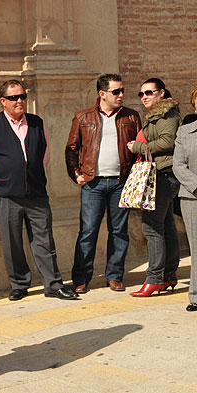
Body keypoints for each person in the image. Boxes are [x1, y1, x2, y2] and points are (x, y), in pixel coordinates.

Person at [0, 80, 77, 301]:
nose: (19, 101)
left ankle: (53, 285)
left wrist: (31, 173)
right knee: (12, 242)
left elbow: (45, 153)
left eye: (22, 96)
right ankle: (19, 284)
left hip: (36, 193)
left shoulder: (37, 122)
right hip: (8, 195)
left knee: (45, 241)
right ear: (3, 101)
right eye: (13, 98)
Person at [65, 74, 141, 293]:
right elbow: (71, 149)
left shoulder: (132, 117)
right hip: (92, 183)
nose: (121, 95)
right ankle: (81, 278)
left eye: (122, 90)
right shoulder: (83, 117)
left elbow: (139, 150)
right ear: (102, 94)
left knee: (119, 231)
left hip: (121, 183)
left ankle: (115, 276)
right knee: (88, 231)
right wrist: (76, 174)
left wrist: (133, 179)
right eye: (116, 91)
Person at [127, 78, 181, 297]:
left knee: (151, 227)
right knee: (166, 226)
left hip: (163, 176)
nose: (144, 97)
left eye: (149, 92)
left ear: (162, 93)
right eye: (141, 94)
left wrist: (139, 146)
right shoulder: (158, 115)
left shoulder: (168, 114)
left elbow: (169, 142)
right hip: (161, 175)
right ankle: (168, 275)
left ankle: (155, 278)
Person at [173, 87, 197, 311]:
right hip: (192, 198)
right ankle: (196, 296)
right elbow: (178, 165)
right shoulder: (185, 132)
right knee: (196, 248)